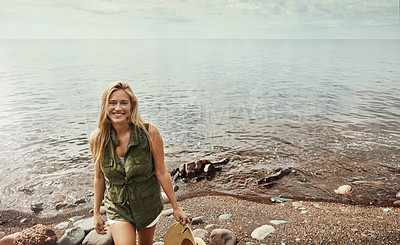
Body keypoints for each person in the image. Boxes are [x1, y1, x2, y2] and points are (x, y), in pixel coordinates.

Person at [90, 81, 190, 245]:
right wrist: (96, 213)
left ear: (132, 106)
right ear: (105, 106)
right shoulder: (97, 138)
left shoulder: (149, 132)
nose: (118, 108)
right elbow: (99, 177)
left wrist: (176, 207)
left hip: (148, 204)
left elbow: (161, 172)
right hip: (117, 206)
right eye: (112, 103)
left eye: (124, 103)